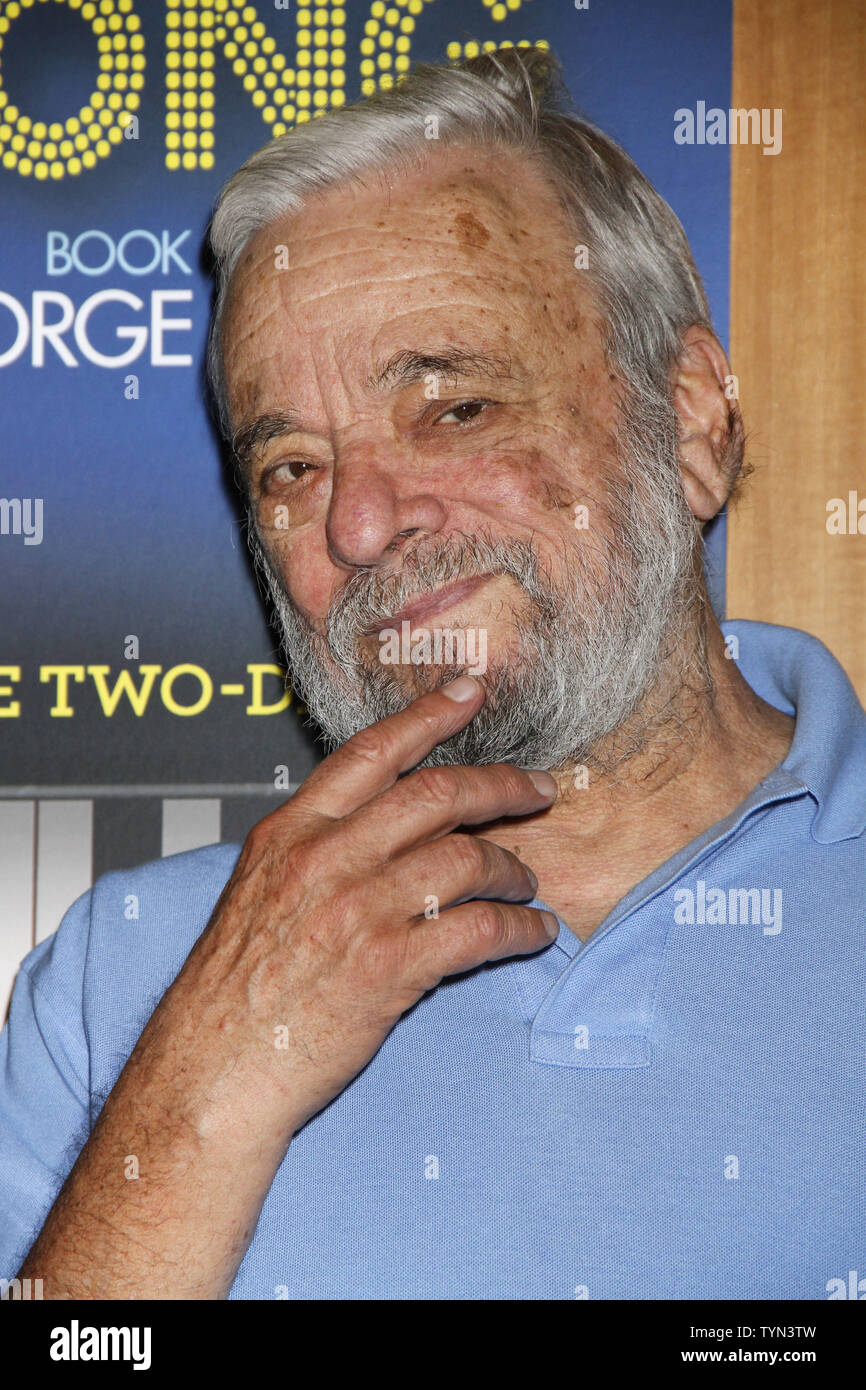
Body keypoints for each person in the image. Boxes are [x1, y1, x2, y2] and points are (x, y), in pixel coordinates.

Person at [2, 46, 863, 1301]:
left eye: (451, 408)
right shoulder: (124, 975)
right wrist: (195, 1098)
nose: (357, 526)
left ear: (686, 422)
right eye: (290, 466)